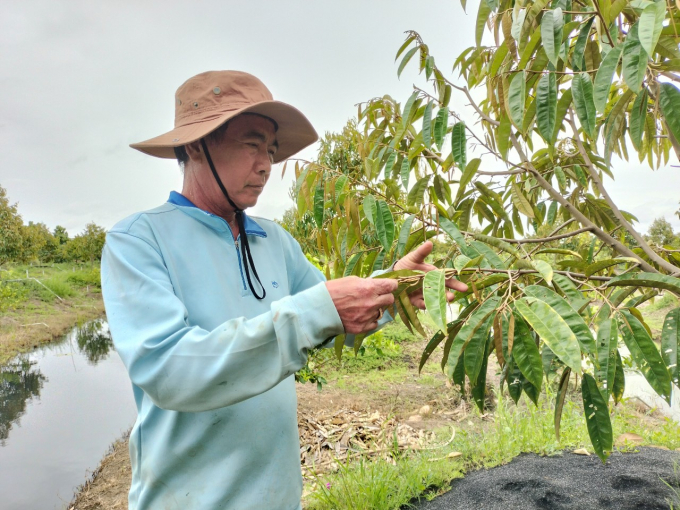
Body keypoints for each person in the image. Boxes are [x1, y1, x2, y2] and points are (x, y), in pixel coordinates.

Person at [101, 70, 467, 510]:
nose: (265, 165)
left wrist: (391, 288)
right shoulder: (139, 241)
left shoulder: (274, 241)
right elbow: (169, 370)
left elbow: (333, 324)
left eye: (271, 150)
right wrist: (317, 311)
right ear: (196, 145)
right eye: (251, 144)